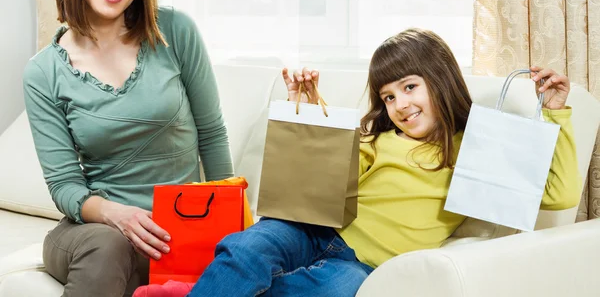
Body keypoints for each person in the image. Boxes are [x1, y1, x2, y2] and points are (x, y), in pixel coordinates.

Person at [134, 29, 581, 297]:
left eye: (409, 87)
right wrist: (306, 107)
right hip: (311, 227)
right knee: (246, 248)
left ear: (440, 80)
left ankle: (189, 292)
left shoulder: (474, 148)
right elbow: (322, 173)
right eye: (388, 96)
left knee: (324, 292)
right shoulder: (380, 138)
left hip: (364, 262)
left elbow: (558, 194)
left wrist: (557, 112)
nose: (400, 105)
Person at [22, 0, 233, 297]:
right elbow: (66, 185)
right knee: (108, 246)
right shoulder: (43, 72)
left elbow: (212, 134)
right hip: (97, 232)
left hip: (177, 233)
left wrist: (229, 227)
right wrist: (118, 215)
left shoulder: (174, 30)